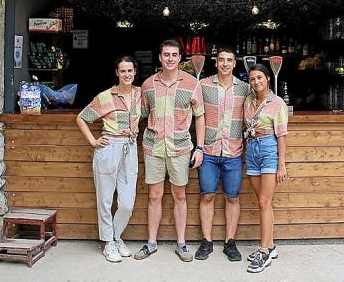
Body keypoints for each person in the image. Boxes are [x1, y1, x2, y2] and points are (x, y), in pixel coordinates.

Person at [134, 39, 205, 262]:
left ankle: (181, 243)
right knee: (154, 195)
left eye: (174, 55)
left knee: (179, 195)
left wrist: (200, 147)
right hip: (154, 147)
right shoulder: (147, 85)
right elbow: (141, 115)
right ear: (160, 57)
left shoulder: (192, 84)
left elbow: (200, 116)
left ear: (180, 58)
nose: (170, 59)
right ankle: (151, 243)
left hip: (181, 148)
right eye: (166, 55)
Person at [76, 56, 141, 263]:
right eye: (123, 71)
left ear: (135, 72)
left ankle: (115, 235)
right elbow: (82, 117)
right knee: (104, 199)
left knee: (127, 203)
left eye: (130, 71)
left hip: (130, 148)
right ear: (116, 73)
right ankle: (108, 243)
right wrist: (93, 141)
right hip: (109, 146)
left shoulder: (140, 94)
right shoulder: (105, 97)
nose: (127, 74)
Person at [194, 47, 250, 262]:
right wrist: (199, 146)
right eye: (221, 60)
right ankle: (206, 241)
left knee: (232, 197)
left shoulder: (245, 88)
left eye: (229, 60)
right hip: (208, 152)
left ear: (235, 64)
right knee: (207, 196)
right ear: (215, 62)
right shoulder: (204, 85)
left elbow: (256, 109)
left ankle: (230, 242)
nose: (225, 63)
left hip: (233, 152)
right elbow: (197, 116)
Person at [243, 63, 289, 274]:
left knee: (264, 201)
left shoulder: (277, 102)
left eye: (260, 78)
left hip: (269, 148)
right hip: (252, 149)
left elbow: (281, 135)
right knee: (263, 202)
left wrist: (281, 164)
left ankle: (263, 251)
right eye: (252, 79)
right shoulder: (249, 101)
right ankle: (271, 246)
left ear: (268, 79)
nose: (256, 82)